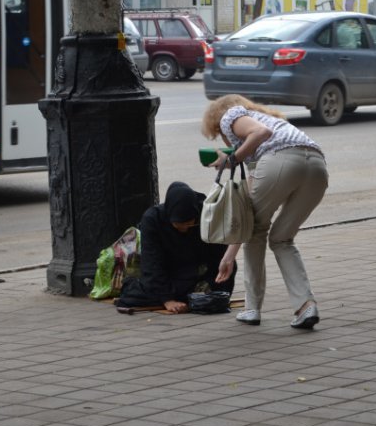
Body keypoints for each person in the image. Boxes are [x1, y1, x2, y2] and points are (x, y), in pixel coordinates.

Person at [202, 95, 328, 329]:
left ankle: (252, 309)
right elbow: (246, 215)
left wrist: (231, 160)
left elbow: (260, 134)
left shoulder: (231, 115)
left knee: (257, 234)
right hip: (317, 167)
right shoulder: (269, 121)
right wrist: (228, 257)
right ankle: (305, 306)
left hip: (281, 162)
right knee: (282, 238)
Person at [117, 182, 236, 313]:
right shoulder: (152, 220)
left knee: (225, 269)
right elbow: (152, 263)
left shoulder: (205, 215)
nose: (184, 229)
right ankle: (184, 295)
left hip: (195, 271)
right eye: (178, 225)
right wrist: (167, 300)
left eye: (189, 224)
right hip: (169, 273)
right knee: (135, 296)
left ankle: (195, 294)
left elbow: (219, 255)